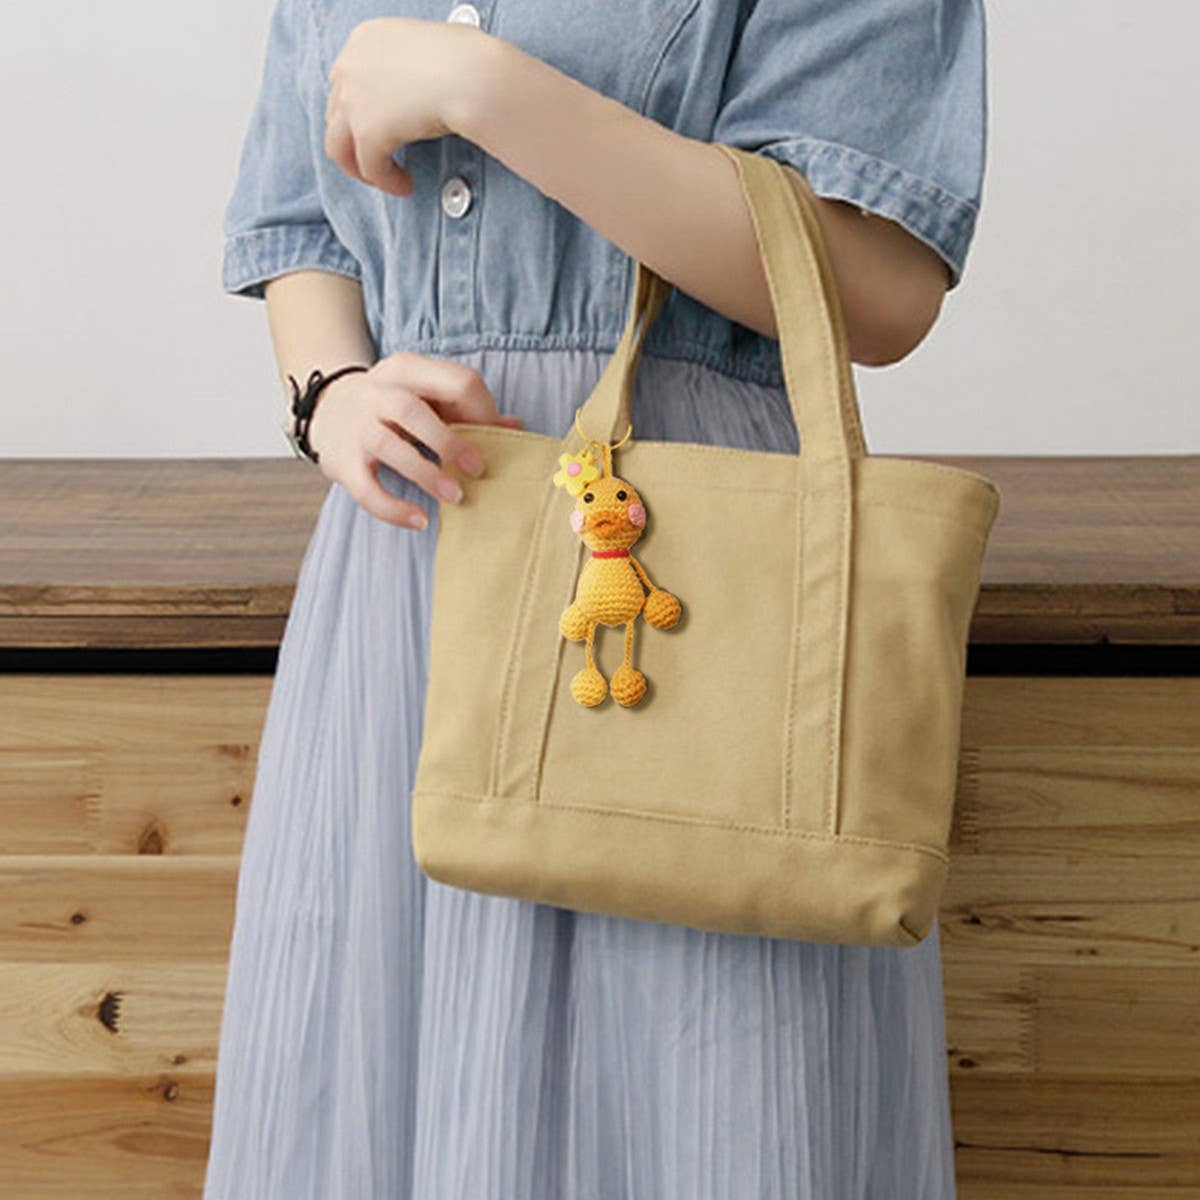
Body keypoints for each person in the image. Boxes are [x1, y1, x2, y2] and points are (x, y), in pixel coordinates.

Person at [203, 2, 986, 1197]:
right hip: (412, 558)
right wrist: (333, 394)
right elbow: (299, 220)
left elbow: (882, 287)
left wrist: (489, 93)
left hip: (700, 568)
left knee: (704, 1098)